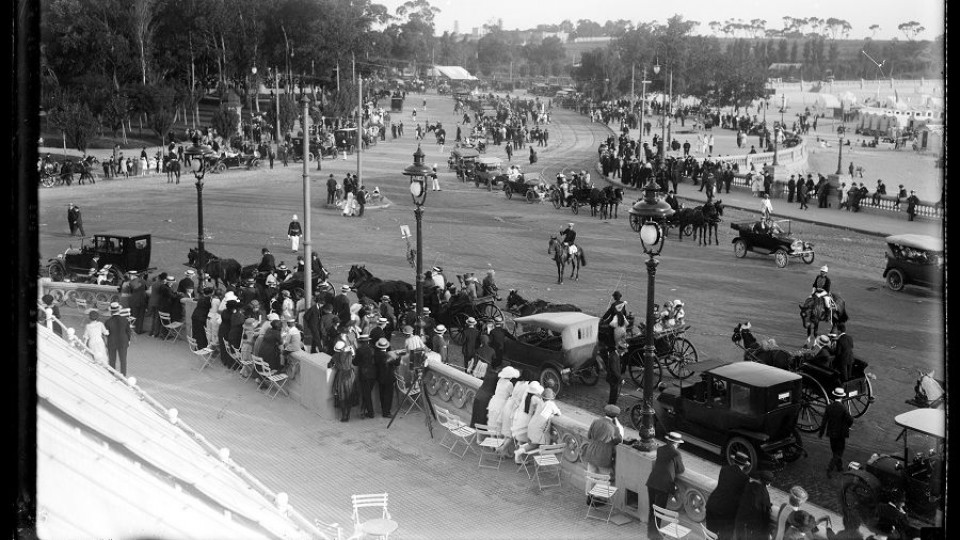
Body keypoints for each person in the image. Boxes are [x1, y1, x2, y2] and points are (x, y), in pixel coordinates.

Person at [646, 432, 685, 538]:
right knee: (659, 511)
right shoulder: (676, 453)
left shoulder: (660, 449)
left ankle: (651, 533)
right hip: (663, 485)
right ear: (676, 443)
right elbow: (681, 469)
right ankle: (654, 536)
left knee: (652, 510)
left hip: (652, 481)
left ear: (668, 441)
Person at [705, 451, 751, 540]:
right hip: (726, 513)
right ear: (744, 465)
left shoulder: (724, 469)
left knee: (710, 534)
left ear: (734, 461)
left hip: (712, 504)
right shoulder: (744, 478)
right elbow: (744, 497)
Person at [582, 404, 624, 501]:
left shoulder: (596, 421)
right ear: (615, 416)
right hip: (604, 455)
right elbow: (618, 440)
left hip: (591, 451)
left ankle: (588, 495)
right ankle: (598, 497)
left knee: (591, 474)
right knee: (603, 477)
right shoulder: (614, 428)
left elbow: (589, 435)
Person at [515, 387, 560, 461]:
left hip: (532, 423)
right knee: (545, 442)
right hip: (539, 426)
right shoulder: (551, 404)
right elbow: (558, 413)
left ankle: (521, 448)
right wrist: (551, 414)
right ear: (551, 397)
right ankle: (520, 452)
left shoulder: (540, 402)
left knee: (533, 444)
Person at [819, 387, 854, 477]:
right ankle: (830, 468)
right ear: (842, 397)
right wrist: (847, 426)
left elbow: (824, 422)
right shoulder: (843, 408)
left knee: (835, 451)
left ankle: (839, 467)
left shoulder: (829, 407)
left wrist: (821, 433)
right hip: (840, 434)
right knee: (839, 452)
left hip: (831, 434)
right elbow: (850, 420)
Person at [734, 470, 774, 540]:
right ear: (768, 483)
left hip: (740, 523)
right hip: (752, 528)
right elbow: (765, 515)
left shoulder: (748, 485)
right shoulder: (764, 494)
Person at [328, 341, 359, 422]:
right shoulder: (349, 354)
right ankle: (348, 414)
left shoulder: (334, 356)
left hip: (341, 377)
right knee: (349, 395)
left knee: (342, 395)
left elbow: (329, 365)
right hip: (350, 375)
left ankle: (344, 416)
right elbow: (354, 357)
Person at [487, 366, 520, 433]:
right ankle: (495, 438)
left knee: (492, 419)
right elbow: (512, 395)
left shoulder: (500, 380)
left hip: (494, 401)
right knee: (498, 422)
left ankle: (491, 435)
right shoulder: (509, 384)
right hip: (501, 403)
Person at [352, 334, 377, 419]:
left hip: (364, 375)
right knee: (367, 393)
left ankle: (370, 413)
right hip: (373, 374)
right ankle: (364, 411)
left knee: (366, 394)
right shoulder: (373, 348)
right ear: (368, 341)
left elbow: (355, 362)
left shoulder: (359, 350)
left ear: (361, 342)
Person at [104, 302, 131, 375]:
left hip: (112, 342)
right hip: (123, 342)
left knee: (112, 360)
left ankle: (111, 374)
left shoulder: (108, 322)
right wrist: (128, 340)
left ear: (111, 311)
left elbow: (106, 333)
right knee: (123, 360)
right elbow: (128, 331)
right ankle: (123, 375)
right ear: (119, 310)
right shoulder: (125, 320)